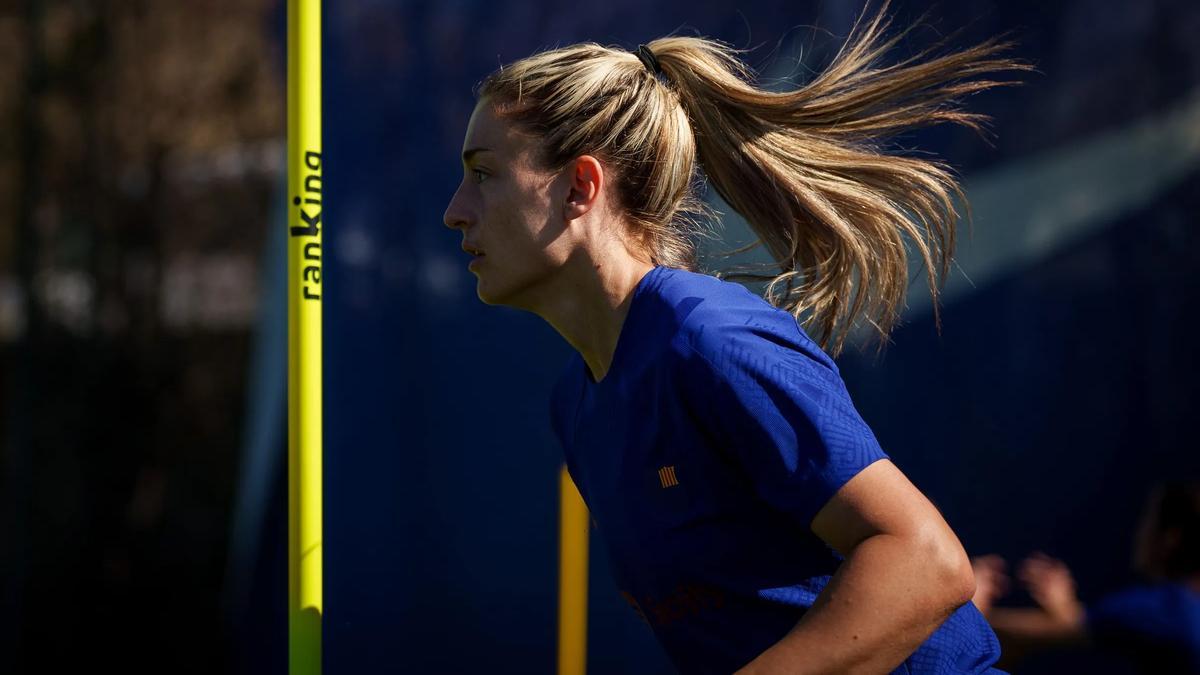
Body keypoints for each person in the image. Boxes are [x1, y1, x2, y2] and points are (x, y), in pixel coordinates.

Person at [442, 3, 1028, 672]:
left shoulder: (709, 339)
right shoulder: (576, 408)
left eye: (483, 173)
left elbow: (925, 560)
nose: (454, 210)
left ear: (581, 186)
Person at [972, 480, 1200, 673]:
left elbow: (1068, 627)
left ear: (1171, 538)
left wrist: (968, 607)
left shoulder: (1167, 609)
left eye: (1148, 524)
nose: (1140, 535)